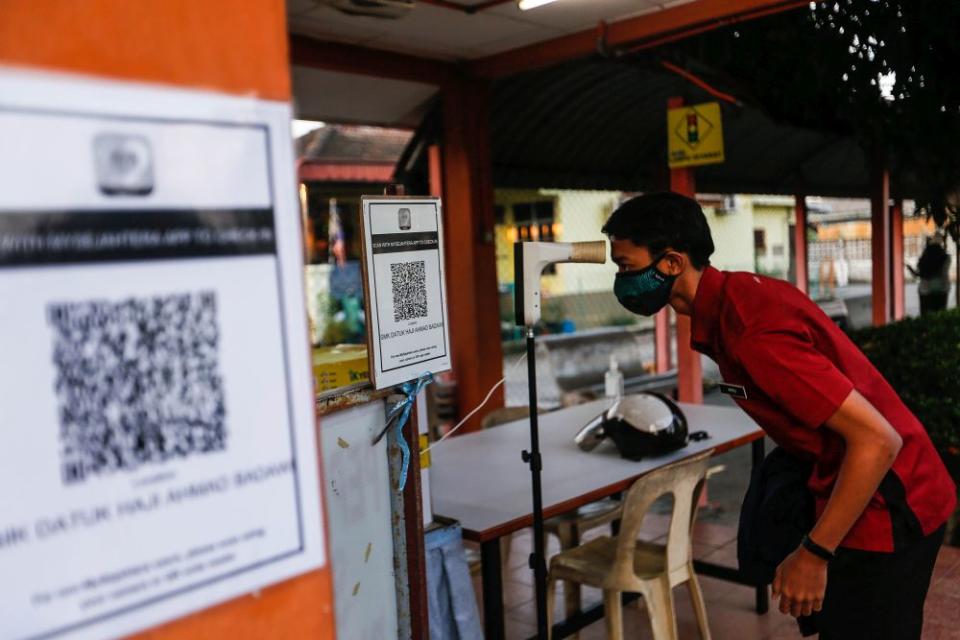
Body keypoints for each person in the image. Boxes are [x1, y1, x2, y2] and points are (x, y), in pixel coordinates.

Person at [603, 192, 956, 640]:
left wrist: (814, 553)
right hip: (855, 487)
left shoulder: (751, 331)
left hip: (890, 501)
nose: (622, 280)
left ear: (671, 263)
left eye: (627, 266)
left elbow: (877, 441)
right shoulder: (733, 300)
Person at [907, 233, 951, 315]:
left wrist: (910, 269)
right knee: (940, 316)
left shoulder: (923, 259)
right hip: (941, 289)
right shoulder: (945, 257)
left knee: (926, 316)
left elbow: (916, 275)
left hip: (925, 290)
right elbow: (944, 273)